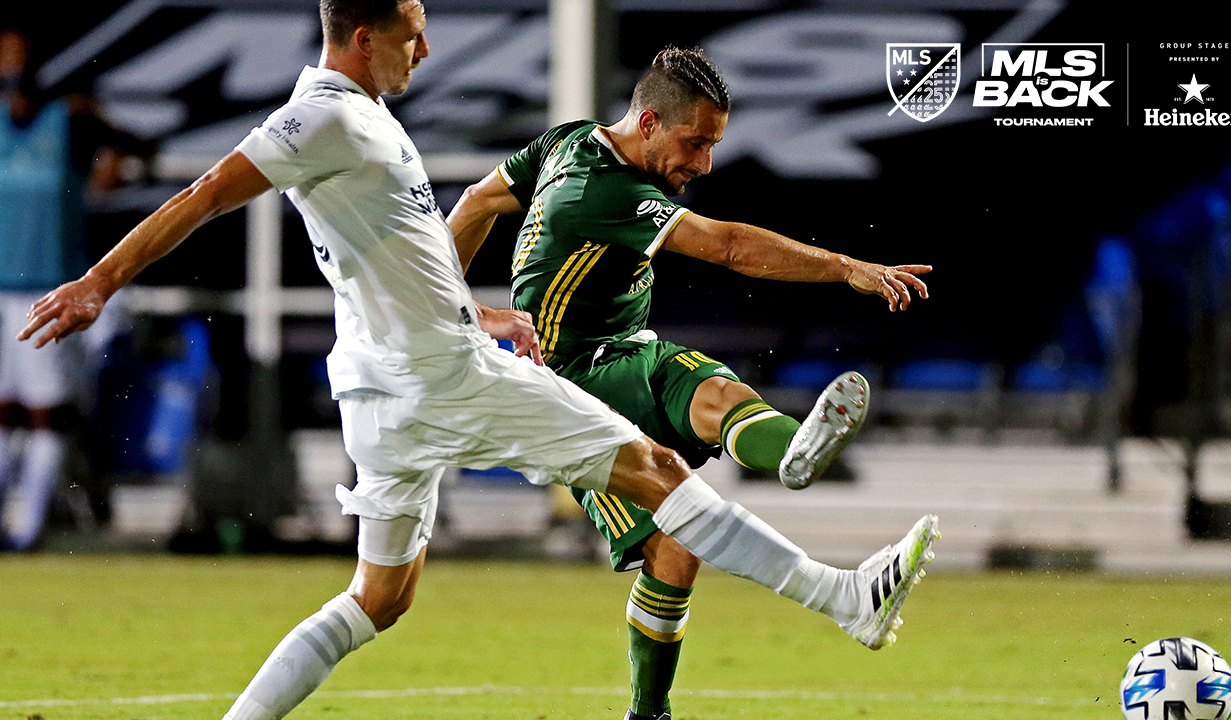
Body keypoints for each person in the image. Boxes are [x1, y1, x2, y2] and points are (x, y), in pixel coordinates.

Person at [18, 3, 939, 718]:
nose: (425, 51)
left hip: (379, 388)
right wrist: (99, 281)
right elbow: (208, 192)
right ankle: (844, 597)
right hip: (441, 376)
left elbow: (413, 246)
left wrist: (476, 307)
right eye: (413, 35)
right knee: (659, 472)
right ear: (365, 36)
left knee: (378, 598)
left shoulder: (366, 123)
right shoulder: (323, 121)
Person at [446, 46, 934, 720]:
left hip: (628, 352)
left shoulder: (567, 142)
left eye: (713, 144)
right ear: (648, 123)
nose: (703, 162)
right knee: (674, 534)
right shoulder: (602, 190)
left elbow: (477, 200)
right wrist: (845, 266)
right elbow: (730, 245)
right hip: (565, 393)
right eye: (694, 142)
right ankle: (680, 692)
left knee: (715, 411)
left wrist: (454, 302)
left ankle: (792, 457)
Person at [0, 26, 143, 550]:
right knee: (5, 411)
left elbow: (134, 146)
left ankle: (27, 528)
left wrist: (115, 166)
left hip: (45, 288)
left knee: (45, 413)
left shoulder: (71, 117)